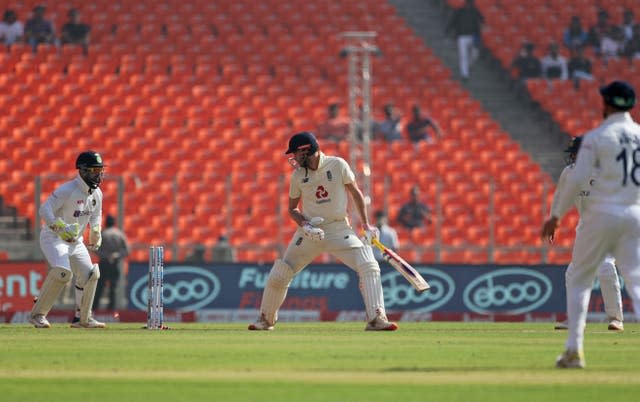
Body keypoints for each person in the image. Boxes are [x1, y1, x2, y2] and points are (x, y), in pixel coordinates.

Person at [248, 131, 398, 331]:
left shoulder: (338, 165)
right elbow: (292, 209)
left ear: (306, 150)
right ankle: (265, 320)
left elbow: (355, 192)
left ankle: (376, 319)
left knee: (369, 264)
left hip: (338, 229)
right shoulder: (298, 175)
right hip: (310, 231)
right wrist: (305, 225)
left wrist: (366, 225)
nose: (294, 158)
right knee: (280, 273)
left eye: (296, 153)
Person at [541, 81, 640, 368]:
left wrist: (555, 217)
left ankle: (574, 349)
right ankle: (607, 321)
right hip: (633, 213)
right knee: (634, 278)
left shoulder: (597, 138)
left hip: (602, 215)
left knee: (582, 277)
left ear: (607, 104)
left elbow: (575, 177)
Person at [549, 137, 623, 332]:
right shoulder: (569, 173)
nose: (572, 157)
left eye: (576, 153)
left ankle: (616, 319)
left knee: (605, 267)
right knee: (573, 273)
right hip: (586, 227)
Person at [30, 150, 106, 329]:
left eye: (100, 170)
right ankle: (37, 315)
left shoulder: (97, 194)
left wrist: (96, 232)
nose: (99, 174)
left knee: (91, 274)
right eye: (94, 171)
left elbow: (96, 216)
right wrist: (60, 227)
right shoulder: (67, 190)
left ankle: (83, 319)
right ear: (83, 171)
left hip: (76, 241)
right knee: (63, 273)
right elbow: (44, 209)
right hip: (53, 237)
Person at [92, 214, 130, 311]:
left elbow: (95, 249)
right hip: (115, 264)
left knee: (99, 287)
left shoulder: (102, 234)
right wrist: (115, 255)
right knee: (113, 287)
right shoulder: (119, 234)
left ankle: (94, 308)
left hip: (104, 263)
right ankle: (111, 309)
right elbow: (126, 250)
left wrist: (106, 256)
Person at [445, 0, 484, 81]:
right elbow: (452, 21)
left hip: (473, 36)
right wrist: (448, 31)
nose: (469, 4)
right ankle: (464, 75)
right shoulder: (459, 11)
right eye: (468, 2)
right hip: (461, 36)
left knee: (475, 54)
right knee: (463, 56)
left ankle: (468, 65)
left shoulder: (475, 11)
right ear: (465, 3)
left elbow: (483, 20)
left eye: (471, 3)